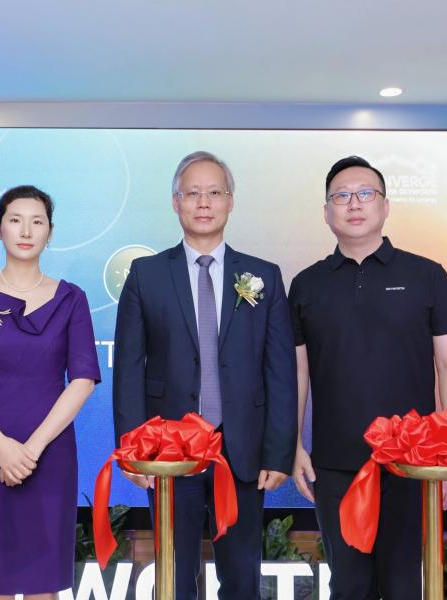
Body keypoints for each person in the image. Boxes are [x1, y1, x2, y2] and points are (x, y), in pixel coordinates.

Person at [113, 151, 297, 599]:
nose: (203, 202)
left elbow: (279, 370)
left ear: (230, 201)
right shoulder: (146, 274)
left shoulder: (264, 276)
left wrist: (279, 453)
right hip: (168, 450)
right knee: (175, 578)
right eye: (192, 193)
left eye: (214, 192)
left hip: (243, 449)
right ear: (175, 202)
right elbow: (129, 369)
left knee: (242, 578)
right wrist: (133, 450)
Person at [289, 155, 447, 599]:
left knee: (403, 584)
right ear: (326, 212)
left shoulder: (427, 275)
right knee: (348, 586)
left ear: (385, 205)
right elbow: (297, 371)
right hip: (335, 464)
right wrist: (291, 444)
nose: (354, 203)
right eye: (342, 196)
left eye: (366, 193)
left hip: (411, 462)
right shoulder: (307, 285)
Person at [0, 185, 100, 599]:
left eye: (37, 221)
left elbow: (82, 380)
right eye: (15, 220)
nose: (26, 231)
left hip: (49, 454)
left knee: (43, 584)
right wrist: (0, 446)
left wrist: (31, 450)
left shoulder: (71, 298)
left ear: (50, 232)